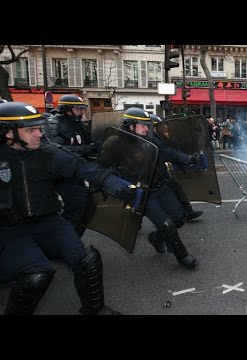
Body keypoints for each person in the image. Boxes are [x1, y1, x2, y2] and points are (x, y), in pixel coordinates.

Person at [0, 102, 136, 315]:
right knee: (36, 275)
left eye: (38, 128)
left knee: (88, 260)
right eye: (31, 130)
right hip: (11, 231)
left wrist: (112, 183)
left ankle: (94, 310)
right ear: (8, 133)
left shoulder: (48, 153)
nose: (39, 134)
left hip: (48, 222)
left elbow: (81, 167)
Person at [119, 108, 199, 269]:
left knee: (178, 218)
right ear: (130, 126)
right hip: (145, 194)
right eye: (143, 126)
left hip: (161, 186)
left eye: (147, 125)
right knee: (166, 224)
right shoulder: (118, 145)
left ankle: (156, 237)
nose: (147, 129)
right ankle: (182, 256)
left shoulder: (150, 140)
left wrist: (187, 158)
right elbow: (109, 167)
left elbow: (167, 151)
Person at [43, 94, 99, 237]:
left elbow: (86, 142)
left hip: (76, 170)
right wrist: (85, 149)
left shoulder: (78, 123)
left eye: (82, 109)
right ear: (67, 108)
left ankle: (70, 237)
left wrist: (97, 145)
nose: (81, 112)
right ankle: (63, 237)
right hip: (61, 174)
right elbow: (56, 149)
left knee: (85, 204)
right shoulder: (54, 124)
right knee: (77, 203)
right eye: (78, 109)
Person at [150, 114, 203, 222]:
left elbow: (170, 151)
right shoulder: (152, 139)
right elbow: (168, 152)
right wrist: (187, 158)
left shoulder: (158, 137)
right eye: (157, 127)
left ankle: (187, 211)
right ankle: (134, 220)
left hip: (159, 172)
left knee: (175, 188)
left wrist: (186, 158)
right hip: (151, 174)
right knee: (146, 200)